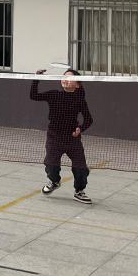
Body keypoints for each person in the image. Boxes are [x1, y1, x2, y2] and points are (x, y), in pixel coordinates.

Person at [31, 67, 93, 204]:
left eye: (70, 78)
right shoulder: (54, 95)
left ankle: (79, 191)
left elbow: (89, 119)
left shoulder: (79, 99)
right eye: (64, 77)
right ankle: (54, 181)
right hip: (54, 137)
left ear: (77, 84)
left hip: (72, 139)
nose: (65, 80)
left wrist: (80, 129)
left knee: (81, 168)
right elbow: (34, 96)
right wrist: (36, 78)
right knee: (51, 165)